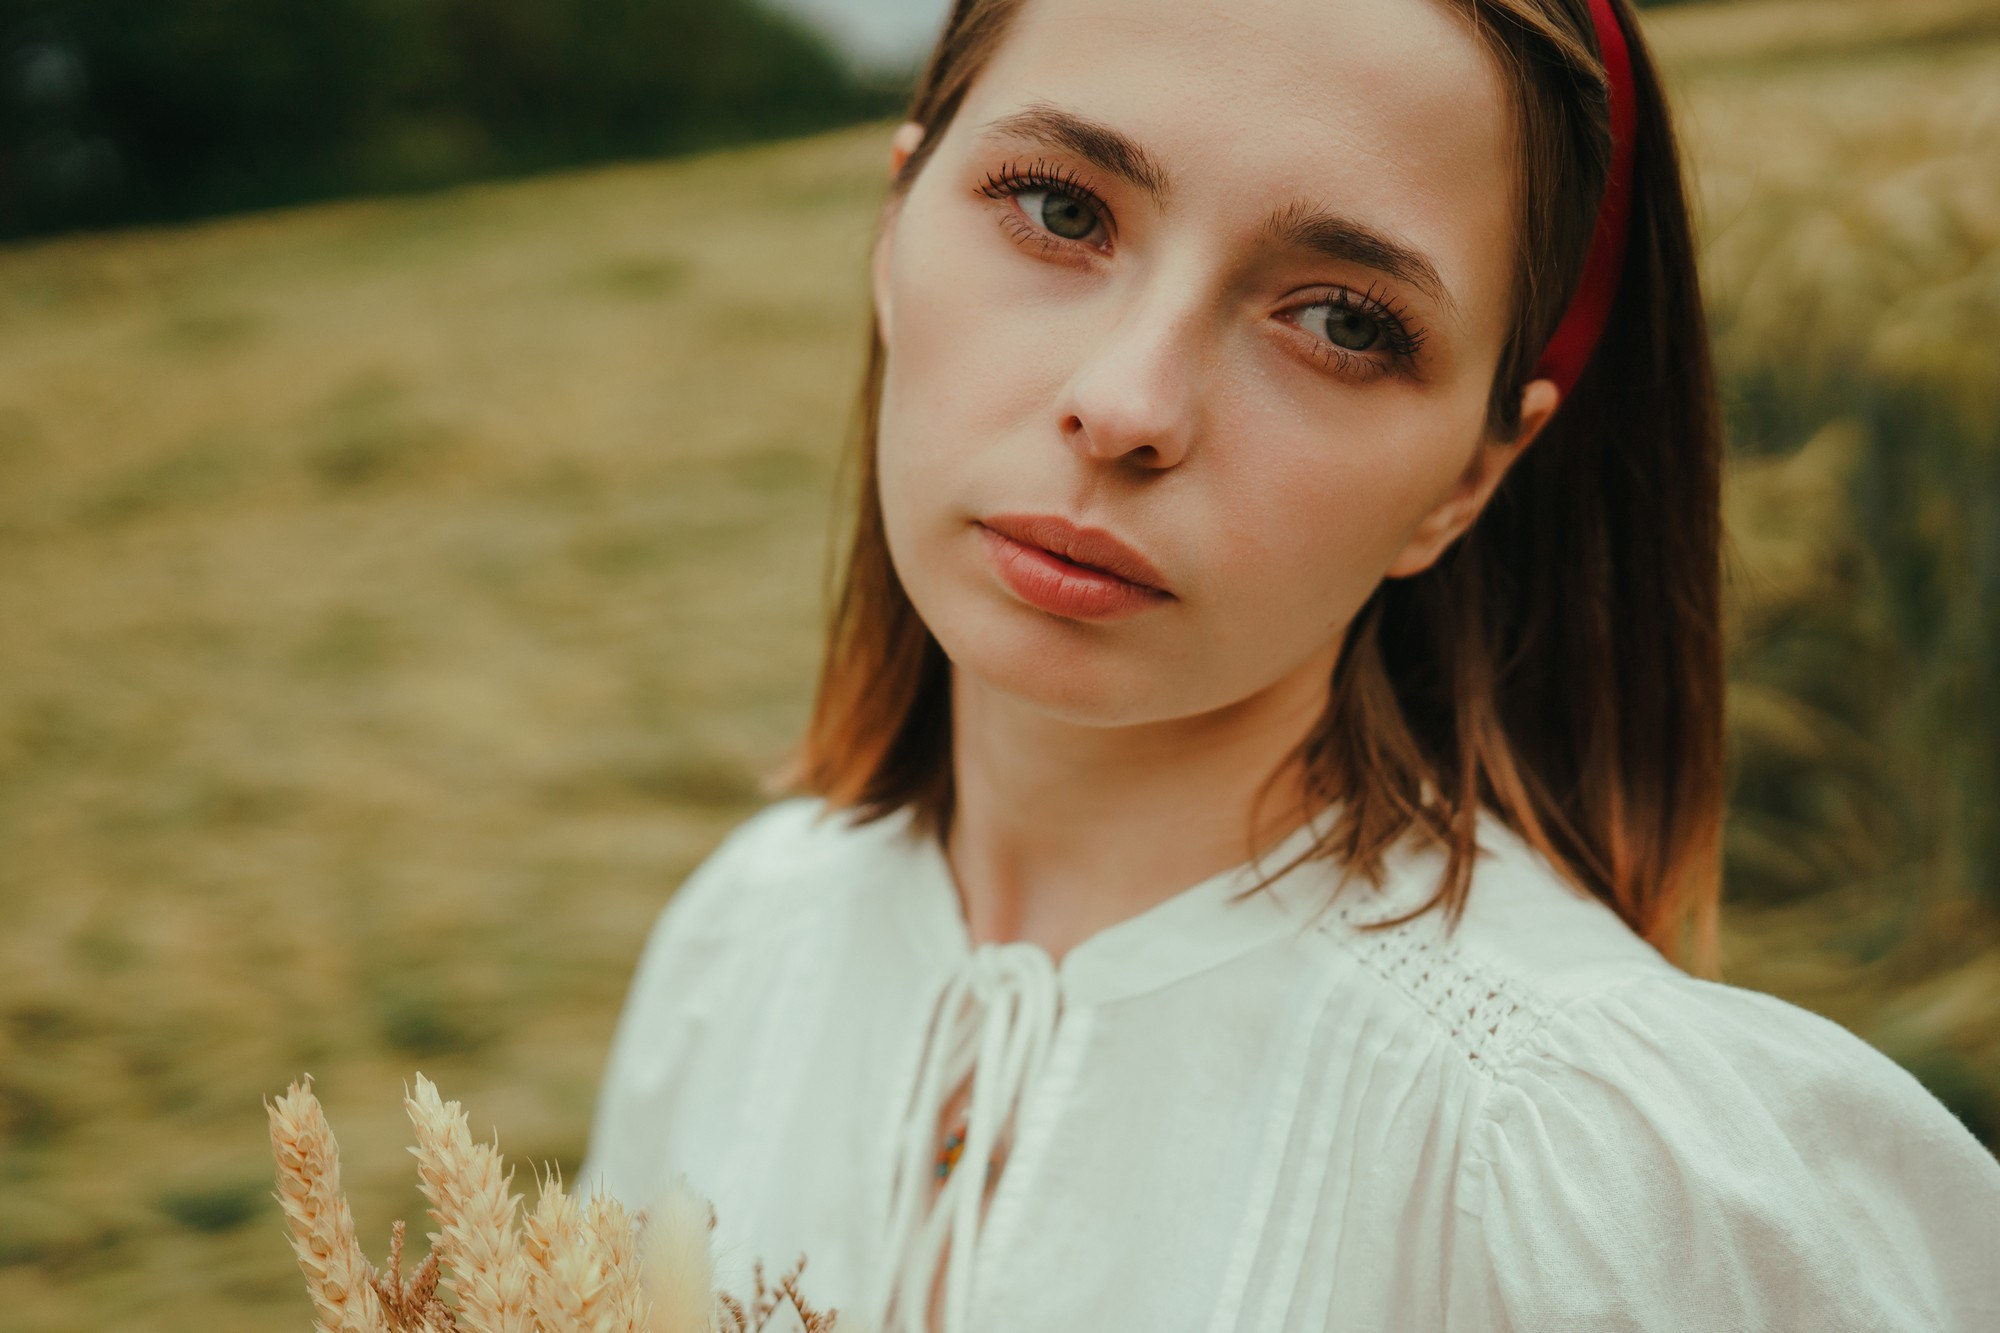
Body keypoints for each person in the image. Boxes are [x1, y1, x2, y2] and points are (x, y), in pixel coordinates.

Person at [579, 0, 2000, 1326]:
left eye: (1341, 323)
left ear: (1472, 474)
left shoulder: (1595, 1163)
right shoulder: (738, 939)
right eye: (1061, 210)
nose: (1127, 404)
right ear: (895, 230)